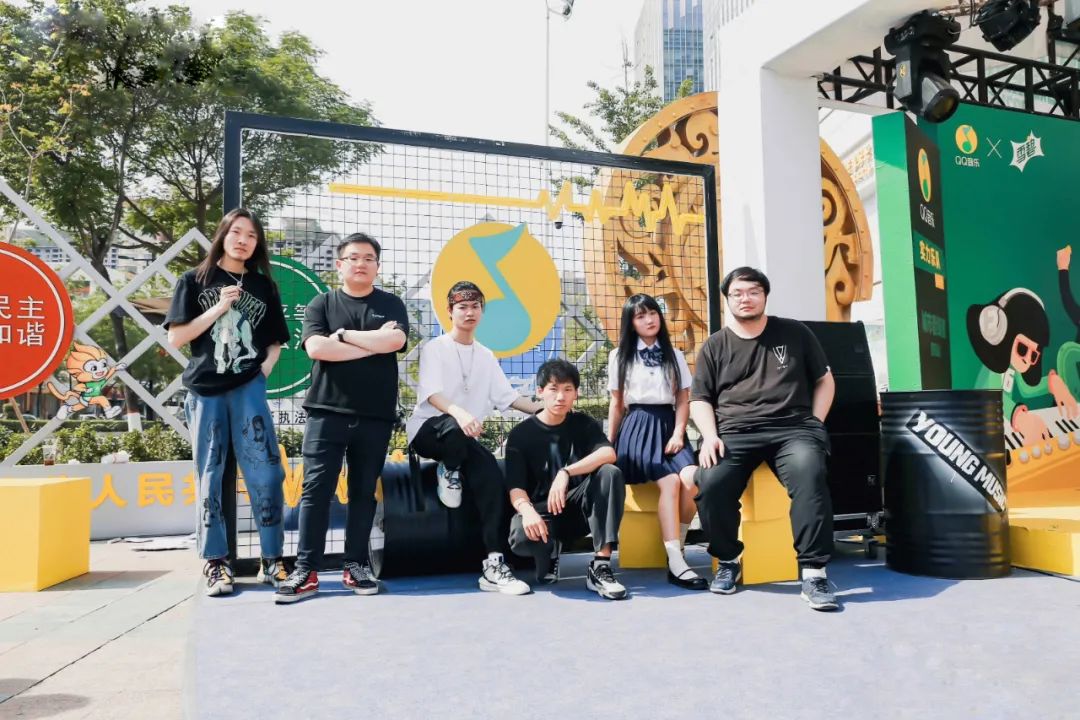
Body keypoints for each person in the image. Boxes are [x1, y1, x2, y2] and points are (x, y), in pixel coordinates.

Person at [690, 266, 840, 611]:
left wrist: (815, 423)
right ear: (727, 299)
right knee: (711, 482)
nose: (746, 298)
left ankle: (814, 572)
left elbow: (825, 380)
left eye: (753, 291)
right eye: (737, 293)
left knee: (810, 476)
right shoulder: (714, 345)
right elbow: (699, 399)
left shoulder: (795, 332)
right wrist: (709, 436)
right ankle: (728, 560)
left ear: (765, 296)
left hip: (793, 429)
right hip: (735, 433)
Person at [274, 233, 409, 604]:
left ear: (377, 266)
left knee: (363, 492)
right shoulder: (322, 303)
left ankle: (356, 564)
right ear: (339, 265)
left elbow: (394, 342)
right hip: (326, 412)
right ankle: (306, 570)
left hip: (376, 415)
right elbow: (318, 348)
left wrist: (345, 336)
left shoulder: (391, 303)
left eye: (368, 258)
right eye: (353, 257)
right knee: (315, 490)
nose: (360, 263)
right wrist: (371, 343)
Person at [164, 208, 290, 597]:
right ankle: (217, 562)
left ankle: (273, 559)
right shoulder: (194, 280)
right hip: (206, 389)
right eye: (236, 232)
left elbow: (276, 341)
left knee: (266, 472)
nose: (243, 240)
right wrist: (218, 308)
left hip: (249, 387)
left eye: (251, 235)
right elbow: (176, 338)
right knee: (210, 475)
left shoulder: (264, 286)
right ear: (223, 235)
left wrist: (263, 371)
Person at [406, 281, 543, 595]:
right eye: (462, 307)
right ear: (450, 311)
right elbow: (432, 394)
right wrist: (461, 413)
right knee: (455, 427)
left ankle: (494, 564)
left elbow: (508, 397)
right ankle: (449, 468)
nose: (469, 312)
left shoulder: (485, 355)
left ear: (482, 310)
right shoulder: (435, 348)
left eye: (475, 306)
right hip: (429, 432)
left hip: (464, 437)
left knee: (492, 478)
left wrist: (546, 408)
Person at [505, 359, 629, 600]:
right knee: (521, 536)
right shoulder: (521, 435)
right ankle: (551, 551)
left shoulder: (583, 424)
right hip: (543, 515)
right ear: (540, 392)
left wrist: (566, 472)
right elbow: (515, 487)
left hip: (580, 511)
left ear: (576, 394)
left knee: (610, 473)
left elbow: (608, 453)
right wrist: (527, 511)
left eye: (567, 389)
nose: (560, 397)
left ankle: (601, 566)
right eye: (553, 389)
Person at [607, 293, 705, 590]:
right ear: (631, 323)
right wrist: (609, 443)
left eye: (652, 313)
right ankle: (676, 562)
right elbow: (617, 404)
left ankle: (678, 545)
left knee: (692, 479)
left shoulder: (674, 354)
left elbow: (683, 399)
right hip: (637, 427)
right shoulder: (619, 356)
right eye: (640, 316)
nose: (649, 319)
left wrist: (678, 433)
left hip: (669, 425)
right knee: (671, 482)